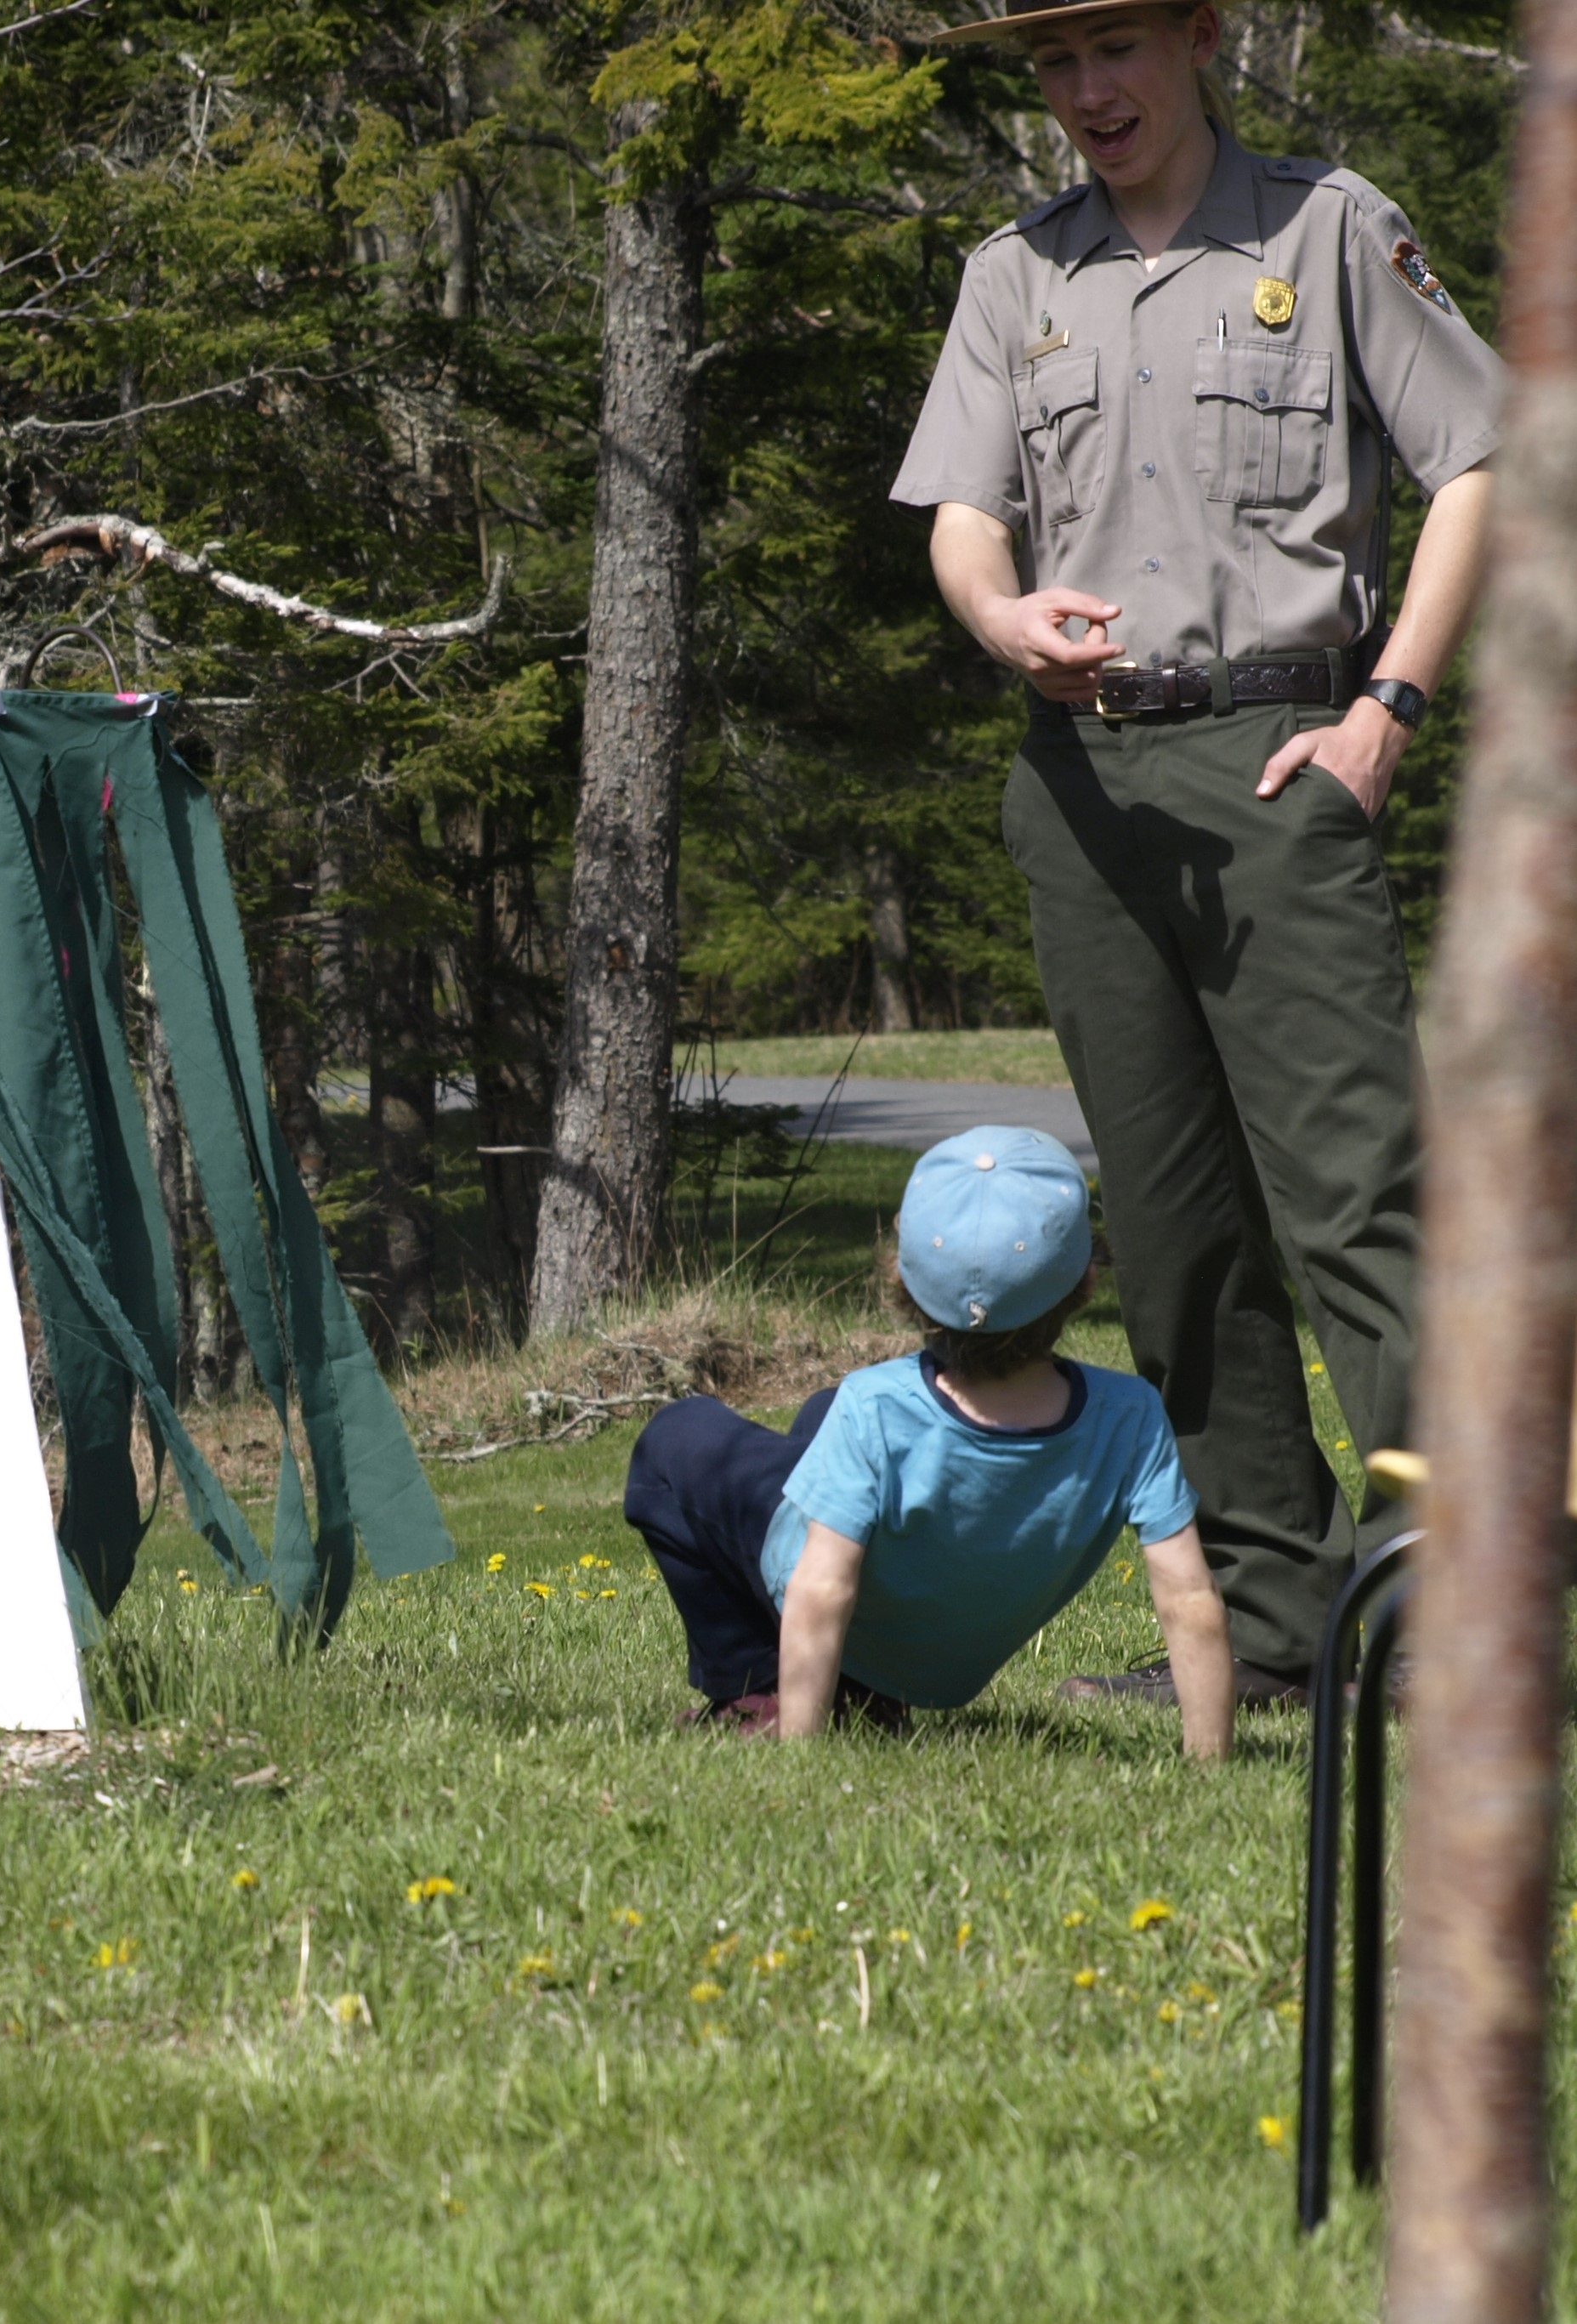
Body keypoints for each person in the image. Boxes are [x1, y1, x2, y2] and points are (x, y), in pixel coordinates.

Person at [891, 1, 1501, 1704]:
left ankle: (1458, 1622)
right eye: (1055, 65)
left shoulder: (1326, 225)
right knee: (1171, 1232)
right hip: (1084, 784)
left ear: (1198, 42)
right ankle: (1277, 1618)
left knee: (1359, 1202)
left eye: (1115, 51)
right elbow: (961, 513)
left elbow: (1484, 464)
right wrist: (999, 614)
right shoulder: (1015, 276)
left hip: (1284, 756)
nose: (1088, 93)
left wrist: (1389, 710)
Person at [622, 1128, 1234, 1754]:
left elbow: (819, 1586)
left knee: (675, 1439)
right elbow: (1189, 1598)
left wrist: (798, 1755)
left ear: (902, 1281)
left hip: (843, 1617)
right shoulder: (1129, 1414)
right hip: (950, 1664)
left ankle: (756, 1691)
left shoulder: (877, 1406)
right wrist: (1210, 1762)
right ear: (1084, 1282)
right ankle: (864, 1698)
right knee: (820, 1412)